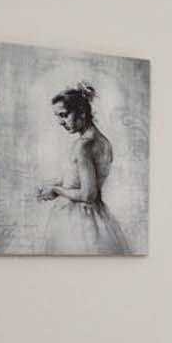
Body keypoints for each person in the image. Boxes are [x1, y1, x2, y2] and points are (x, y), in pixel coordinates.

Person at [37, 83, 131, 254]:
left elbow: (88, 195)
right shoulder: (103, 141)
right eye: (58, 117)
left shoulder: (83, 146)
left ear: (82, 112)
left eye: (64, 115)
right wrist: (52, 186)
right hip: (96, 217)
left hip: (78, 220)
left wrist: (56, 190)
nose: (60, 122)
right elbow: (78, 179)